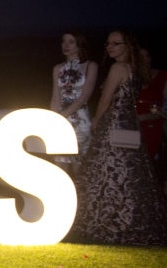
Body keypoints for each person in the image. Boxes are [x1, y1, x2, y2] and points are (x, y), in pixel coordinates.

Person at [74, 30, 167, 245]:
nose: (110, 47)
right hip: (130, 125)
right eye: (108, 43)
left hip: (113, 124)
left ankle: (106, 221)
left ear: (128, 46)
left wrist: (96, 120)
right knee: (130, 174)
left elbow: (105, 100)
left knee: (107, 171)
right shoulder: (136, 69)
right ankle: (129, 220)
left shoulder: (117, 68)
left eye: (116, 43)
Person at [49, 31, 98, 173]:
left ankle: (81, 195)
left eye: (71, 42)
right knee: (59, 165)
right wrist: (54, 118)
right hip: (61, 119)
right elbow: (55, 96)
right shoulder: (57, 68)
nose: (66, 45)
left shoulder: (90, 66)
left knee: (79, 166)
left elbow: (84, 97)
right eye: (64, 41)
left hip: (80, 119)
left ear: (79, 44)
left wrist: (64, 114)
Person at [136, 47, 166, 164]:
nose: (145, 60)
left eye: (147, 56)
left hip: (152, 123)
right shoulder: (129, 76)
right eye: (141, 57)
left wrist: (150, 115)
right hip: (131, 123)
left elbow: (163, 109)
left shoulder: (162, 76)